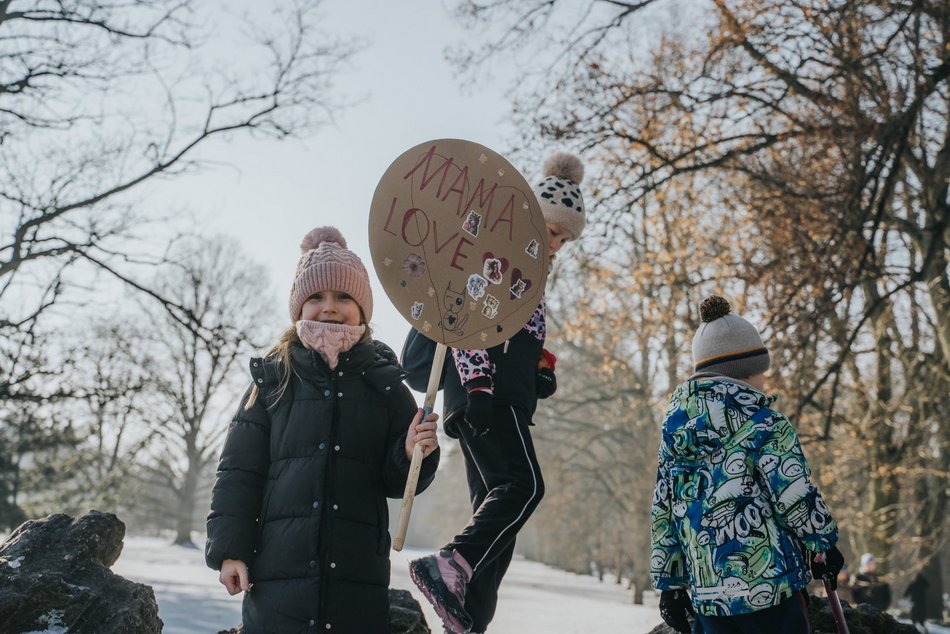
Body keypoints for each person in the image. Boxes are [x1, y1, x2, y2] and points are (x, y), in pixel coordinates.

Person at [204, 226, 441, 633]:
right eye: (316, 297)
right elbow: (239, 473)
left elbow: (397, 483)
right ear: (299, 308)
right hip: (279, 580)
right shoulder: (273, 380)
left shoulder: (386, 385)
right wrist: (231, 550)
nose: (330, 307)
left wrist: (409, 452)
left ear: (363, 309)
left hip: (357, 579)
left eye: (344, 297)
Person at [401, 152, 588, 633]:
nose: (557, 243)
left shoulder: (533, 273)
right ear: (530, 218)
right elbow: (468, 322)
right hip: (485, 396)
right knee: (524, 487)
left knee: (498, 522)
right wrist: (480, 386)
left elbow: (520, 335)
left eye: (564, 239)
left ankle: (468, 621)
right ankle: (449, 564)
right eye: (553, 231)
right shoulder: (496, 255)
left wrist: (540, 369)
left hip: (502, 396)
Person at [650, 295, 844, 634]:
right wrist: (822, 544)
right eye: (761, 372)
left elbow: (664, 509)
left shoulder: (675, 433)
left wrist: (670, 582)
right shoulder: (765, 423)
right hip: (771, 589)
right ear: (745, 372)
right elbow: (793, 493)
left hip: (708, 595)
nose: (764, 382)